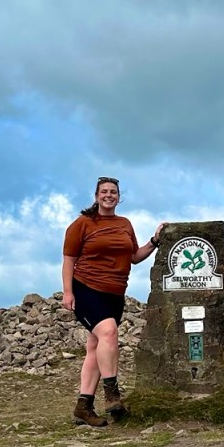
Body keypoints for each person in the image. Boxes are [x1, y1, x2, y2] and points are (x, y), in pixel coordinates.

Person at [62, 176, 164, 427]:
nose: (109, 195)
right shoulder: (82, 224)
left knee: (95, 348)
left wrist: (155, 241)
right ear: (96, 196)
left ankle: (83, 406)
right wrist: (67, 292)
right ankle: (112, 395)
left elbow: (134, 256)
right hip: (86, 288)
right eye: (104, 191)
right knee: (109, 331)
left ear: (119, 197)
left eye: (113, 192)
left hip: (115, 293)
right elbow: (68, 260)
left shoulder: (124, 224)